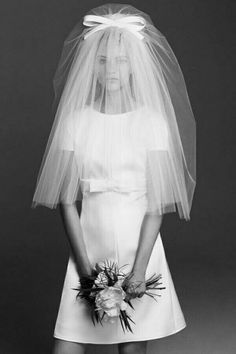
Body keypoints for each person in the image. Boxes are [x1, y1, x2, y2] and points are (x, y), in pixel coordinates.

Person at [31, 3, 196, 354]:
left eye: (121, 60)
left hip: (140, 251)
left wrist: (138, 271)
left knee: (131, 348)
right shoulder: (76, 122)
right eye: (103, 59)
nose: (112, 69)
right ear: (92, 64)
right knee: (67, 345)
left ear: (135, 66)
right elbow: (66, 201)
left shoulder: (153, 122)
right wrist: (85, 266)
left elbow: (156, 206)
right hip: (87, 248)